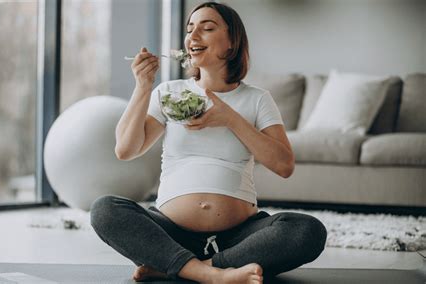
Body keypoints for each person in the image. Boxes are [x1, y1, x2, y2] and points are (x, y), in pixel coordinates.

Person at [90, 2, 327, 283]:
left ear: (231, 43)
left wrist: (229, 117)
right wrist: (143, 87)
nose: (193, 36)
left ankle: (181, 265)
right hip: (171, 232)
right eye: (190, 29)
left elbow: (284, 165)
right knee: (105, 210)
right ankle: (210, 274)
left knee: (307, 230)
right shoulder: (171, 92)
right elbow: (126, 149)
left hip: (238, 238)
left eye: (207, 28)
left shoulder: (257, 99)